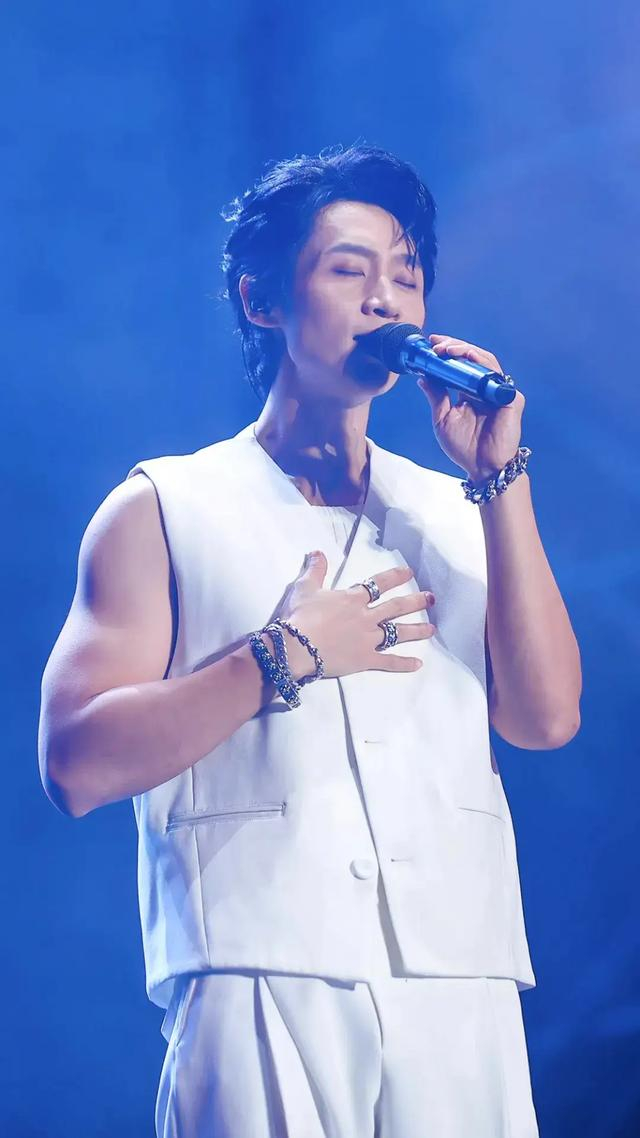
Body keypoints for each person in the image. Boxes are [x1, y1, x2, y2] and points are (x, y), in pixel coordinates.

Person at [38, 144, 581, 1137]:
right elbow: (74, 764)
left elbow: (545, 718)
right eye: (347, 269)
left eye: (405, 275)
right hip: (256, 974)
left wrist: (500, 479)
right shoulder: (164, 505)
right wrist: (279, 656)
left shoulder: (460, 510)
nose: (385, 300)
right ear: (262, 300)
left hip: (459, 982)